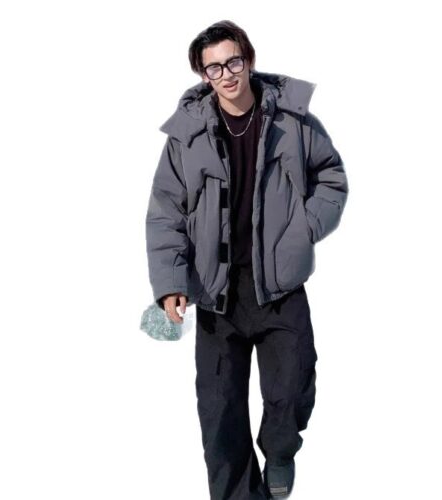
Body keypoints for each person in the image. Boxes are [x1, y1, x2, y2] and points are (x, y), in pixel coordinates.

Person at [145, 20, 349, 500]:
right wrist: (170, 282)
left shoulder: (292, 121)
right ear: (204, 74)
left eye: (233, 61)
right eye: (214, 68)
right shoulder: (187, 135)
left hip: (279, 285)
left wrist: (302, 231)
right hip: (216, 293)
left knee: (291, 388)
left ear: (248, 60)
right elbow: (165, 210)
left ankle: (279, 451)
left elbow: (331, 177)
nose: (227, 74)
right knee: (220, 414)